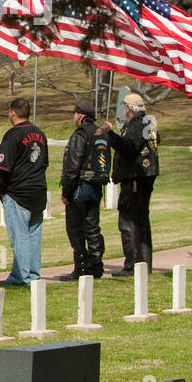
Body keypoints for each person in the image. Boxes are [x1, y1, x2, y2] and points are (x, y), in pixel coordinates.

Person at [0, 97, 48, 287]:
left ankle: (21, 277)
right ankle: (33, 274)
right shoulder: (40, 134)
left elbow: (3, 168)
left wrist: (2, 191)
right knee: (34, 235)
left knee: (20, 236)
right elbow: (44, 164)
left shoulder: (12, 135)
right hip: (38, 190)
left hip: (18, 191)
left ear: (12, 112)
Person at [103, 91, 158, 275]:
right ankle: (144, 265)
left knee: (128, 221)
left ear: (129, 109)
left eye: (125, 107)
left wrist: (110, 134)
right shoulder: (149, 123)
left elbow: (129, 148)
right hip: (146, 176)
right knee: (142, 220)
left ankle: (133, 265)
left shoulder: (136, 124)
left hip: (134, 177)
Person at [59, 100, 108, 280]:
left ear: (80, 115)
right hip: (96, 185)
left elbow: (73, 164)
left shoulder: (80, 134)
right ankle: (96, 265)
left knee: (75, 228)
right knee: (92, 227)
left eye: (74, 113)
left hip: (80, 186)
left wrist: (66, 191)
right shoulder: (101, 133)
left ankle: (80, 267)